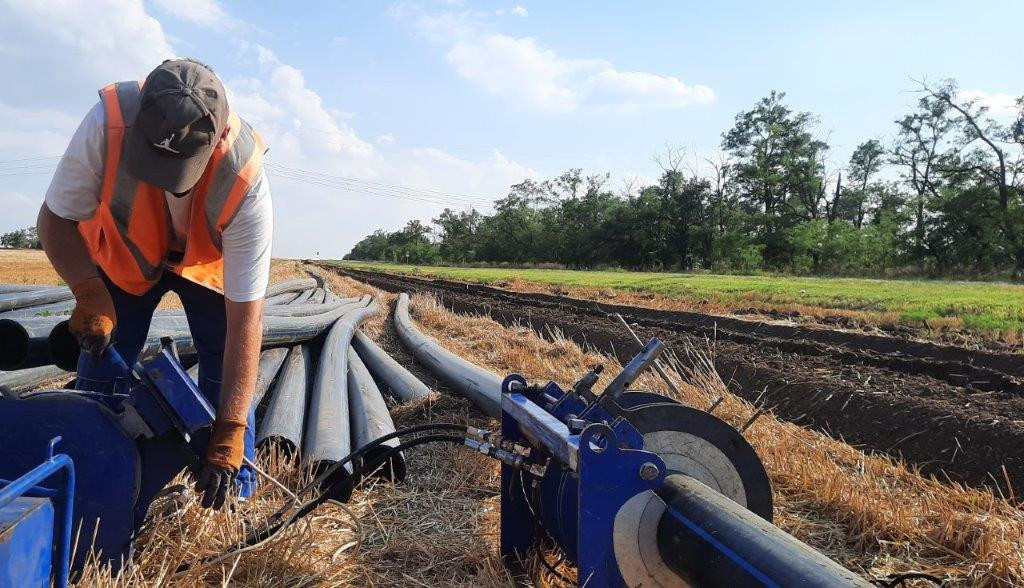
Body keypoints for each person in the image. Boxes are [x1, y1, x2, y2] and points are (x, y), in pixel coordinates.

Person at [37, 59, 273, 510]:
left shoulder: (244, 174)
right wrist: (88, 291)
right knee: (103, 364)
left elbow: (248, 320)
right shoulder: (106, 123)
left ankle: (232, 496)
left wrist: (230, 431)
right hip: (127, 258)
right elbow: (55, 219)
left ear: (215, 140)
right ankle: (91, 477)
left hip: (206, 267)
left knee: (224, 370)